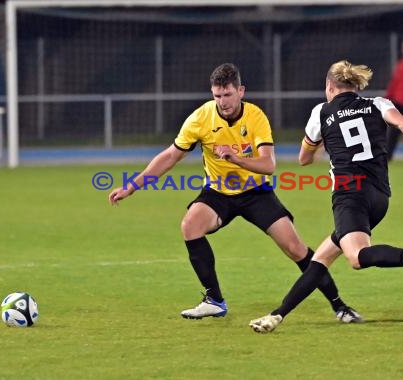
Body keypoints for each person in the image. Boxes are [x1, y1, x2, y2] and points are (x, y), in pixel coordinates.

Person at [108, 63, 360, 322]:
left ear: (240, 91)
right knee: (190, 225)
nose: (222, 102)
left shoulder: (255, 116)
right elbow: (171, 156)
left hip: (256, 193)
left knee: (295, 248)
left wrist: (236, 158)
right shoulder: (200, 118)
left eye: (227, 95)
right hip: (218, 193)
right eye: (217, 96)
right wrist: (131, 186)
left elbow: (268, 165)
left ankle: (339, 305)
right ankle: (214, 300)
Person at [249, 60, 403, 333]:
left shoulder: (321, 113)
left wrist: (321, 140)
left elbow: (304, 159)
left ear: (329, 86)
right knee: (320, 260)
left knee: (356, 257)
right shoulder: (378, 104)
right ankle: (276, 316)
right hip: (380, 197)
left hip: (350, 195)